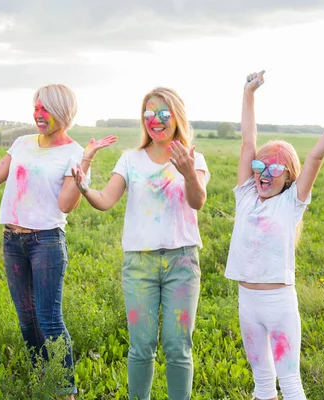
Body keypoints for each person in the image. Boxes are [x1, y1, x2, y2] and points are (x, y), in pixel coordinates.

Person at [0, 84, 116, 397]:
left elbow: (66, 204)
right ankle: (43, 381)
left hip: (46, 242)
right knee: (26, 321)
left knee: (49, 320)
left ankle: (65, 390)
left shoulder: (74, 152)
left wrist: (86, 163)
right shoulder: (22, 143)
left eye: (45, 109)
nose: (39, 114)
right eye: (36, 107)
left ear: (63, 112)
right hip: (13, 240)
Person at [225, 70, 324, 400]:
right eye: (259, 167)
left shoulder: (291, 202)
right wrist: (249, 94)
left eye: (274, 169)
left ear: (288, 178)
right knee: (262, 382)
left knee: (290, 382)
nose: (263, 175)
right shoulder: (245, 194)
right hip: (247, 302)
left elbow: (316, 157)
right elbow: (248, 142)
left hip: (278, 304)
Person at [72, 87, 209, 400]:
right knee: (141, 346)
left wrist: (188, 173)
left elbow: (197, 200)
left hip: (182, 263)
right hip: (139, 265)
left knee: (178, 346)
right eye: (149, 114)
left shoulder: (194, 159)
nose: (155, 120)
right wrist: (83, 186)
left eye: (163, 114)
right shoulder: (130, 159)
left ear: (177, 117)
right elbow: (105, 200)